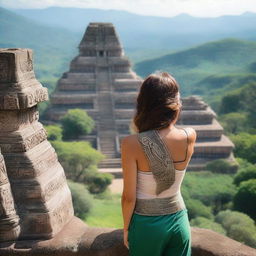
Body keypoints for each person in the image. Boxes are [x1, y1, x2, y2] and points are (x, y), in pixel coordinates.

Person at [121, 72, 197, 256]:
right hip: (179, 220)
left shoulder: (131, 143)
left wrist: (126, 229)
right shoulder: (189, 135)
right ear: (176, 105)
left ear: (144, 104)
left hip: (147, 224)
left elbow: (129, 198)